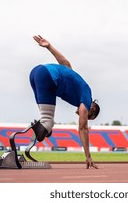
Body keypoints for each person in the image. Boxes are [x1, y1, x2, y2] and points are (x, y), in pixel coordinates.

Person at [29, 35, 100, 169]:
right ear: (92, 109)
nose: (83, 116)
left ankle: (44, 129)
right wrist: (88, 156)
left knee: (46, 123)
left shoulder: (79, 88)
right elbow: (83, 128)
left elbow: (66, 64)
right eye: (88, 116)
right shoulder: (86, 98)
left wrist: (49, 46)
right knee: (48, 121)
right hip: (47, 76)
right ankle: (45, 127)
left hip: (35, 72)